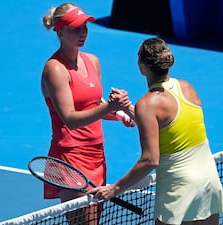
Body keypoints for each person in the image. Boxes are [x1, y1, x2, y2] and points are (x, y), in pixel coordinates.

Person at [88, 38, 223, 225]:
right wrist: (128, 107)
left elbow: (150, 160)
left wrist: (115, 188)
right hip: (208, 183)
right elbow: (168, 128)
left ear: (142, 67)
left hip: (180, 190)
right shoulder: (186, 87)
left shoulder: (147, 105)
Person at [41, 2, 135, 224]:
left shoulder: (92, 61)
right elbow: (70, 119)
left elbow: (94, 106)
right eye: (75, 29)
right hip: (71, 157)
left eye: (84, 27)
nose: (82, 33)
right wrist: (111, 106)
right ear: (60, 31)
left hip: (97, 154)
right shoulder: (55, 69)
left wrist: (120, 114)